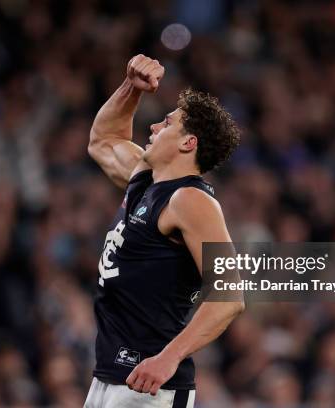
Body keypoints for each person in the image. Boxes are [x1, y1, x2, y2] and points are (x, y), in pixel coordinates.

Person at [84, 54, 244, 408]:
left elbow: (230, 294)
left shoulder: (190, 200)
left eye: (167, 123)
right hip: (112, 376)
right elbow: (103, 141)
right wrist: (131, 88)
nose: (153, 127)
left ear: (188, 143)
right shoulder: (145, 181)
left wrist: (169, 358)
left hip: (151, 384)